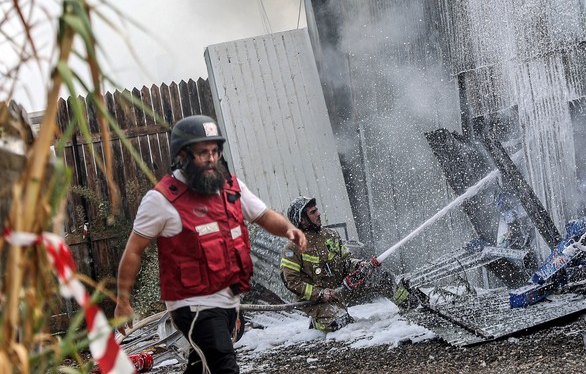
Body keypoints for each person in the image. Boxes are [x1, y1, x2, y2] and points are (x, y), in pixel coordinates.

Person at [114, 115, 307, 374]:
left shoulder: (231, 187)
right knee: (223, 365)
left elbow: (263, 215)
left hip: (228, 298)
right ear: (182, 154)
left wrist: (289, 229)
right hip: (191, 304)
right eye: (203, 152)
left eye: (215, 151)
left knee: (201, 364)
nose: (211, 159)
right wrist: (123, 300)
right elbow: (134, 251)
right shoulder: (161, 200)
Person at [280, 196, 418, 332]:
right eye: (313, 212)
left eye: (317, 210)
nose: (319, 213)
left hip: (342, 289)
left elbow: (346, 260)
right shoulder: (292, 248)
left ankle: (411, 305)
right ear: (302, 220)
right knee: (340, 323)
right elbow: (292, 282)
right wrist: (320, 294)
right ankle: (318, 323)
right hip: (318, 300)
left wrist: (359, 265)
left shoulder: (330, 235)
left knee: (381, 276)